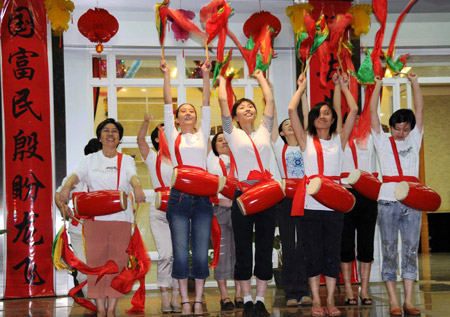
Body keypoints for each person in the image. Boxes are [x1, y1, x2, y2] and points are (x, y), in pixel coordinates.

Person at [58, 118, 146, 317]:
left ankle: (112, 310)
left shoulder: (127, 160)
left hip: (121, 219)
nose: (110, 134)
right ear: (100, 136)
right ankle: (100, 310)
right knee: (95, 265)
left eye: (114, 131)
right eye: (106, 130)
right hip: (94, 220)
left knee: (117, 264)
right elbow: (76, 176)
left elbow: (132, 176)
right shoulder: (89, 160)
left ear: (119, 138)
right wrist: (65, 188)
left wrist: (138, 187)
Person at [288, 72, 358, 317]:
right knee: (312, 252)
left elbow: (355, 108)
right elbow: (290, 109)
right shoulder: (306, 141)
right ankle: (316, 299)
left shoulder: (339, 140)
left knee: (332, 252)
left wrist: (343, 86)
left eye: (327, 113)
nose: (322, 116)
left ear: (332, 119)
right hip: (309, 206)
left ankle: (330, 298)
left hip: (334, 206)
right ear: (313, 119)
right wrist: (301, 87)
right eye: (318, 113)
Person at [217, 69, 276, 317]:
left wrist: (261, 78)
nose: (247, 109)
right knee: (243, 249)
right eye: (242, 107)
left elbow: (270, 101)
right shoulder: (231, 133)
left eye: (251, 106)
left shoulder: (264, 129)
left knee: (264, 247)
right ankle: (247, 299)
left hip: (267, 194)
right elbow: (222, 101)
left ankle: (261, 299)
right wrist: (221, 81)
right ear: (235, 115)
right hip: (243, 195)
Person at [161, 58, 212, 316]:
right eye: (184, 111)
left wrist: (205, 75)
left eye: (191, 110)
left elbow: (206, 103)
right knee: (181, 252)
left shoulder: (203, 133)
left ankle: (200, 299)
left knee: (201, 251)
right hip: (179, 199)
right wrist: (166, 76)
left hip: (203, 198)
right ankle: (183, 300)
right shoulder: (174, 134)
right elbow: (167, 104)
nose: (189, 113)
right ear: (178, 119)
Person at [369, 73, 423, 317]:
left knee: (411, 250)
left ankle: (409, 300)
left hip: (413, 200)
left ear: (411, 128)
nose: (401, 133)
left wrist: (414, 84)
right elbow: (372, 113)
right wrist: (378, 85)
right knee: (389, 249)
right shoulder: (382, 140)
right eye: (397, 128)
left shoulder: (415, 139)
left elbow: (420, 109)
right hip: (388, 202)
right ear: (390, 127)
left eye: (405, 128)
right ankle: (393, 300)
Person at [334, 73, 379, 307]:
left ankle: (364, 288)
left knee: (366, 243)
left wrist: (375, 86)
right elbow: (338, 108)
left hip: (368, 194)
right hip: (346, 194)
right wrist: (339, 87)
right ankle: (349, 290)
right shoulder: (339, 138)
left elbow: (372, 109)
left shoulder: (370, 136)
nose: (357, 122)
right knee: (345, 244)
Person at [270, 98, 311, 307]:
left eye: (292, 124)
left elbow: (305, 117)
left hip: (307, 198)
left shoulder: (307, 145)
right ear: (283, 133)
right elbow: (273, 117)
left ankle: (304, 290)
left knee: (303, 245)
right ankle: (290, 292)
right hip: (286, 200)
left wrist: (303, 94)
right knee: (289, 245)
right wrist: (271, 93)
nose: (291, 126)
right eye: (286, 126)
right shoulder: (280, 148)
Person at [137, 119, 181, 313]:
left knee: (179, 255)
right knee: (165, 254)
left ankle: (177, 296)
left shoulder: (181, 157)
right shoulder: (152, 157)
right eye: (163, 132)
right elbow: (140, 141)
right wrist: (147, 122)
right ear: (156, 138)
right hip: (159, 209)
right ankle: (165, 297)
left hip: (180, 207)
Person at [54, 138, 102, 300]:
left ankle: (102, 304)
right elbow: (59, 194)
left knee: (103, 268)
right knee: (82, 268)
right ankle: (94, 304)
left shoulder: (110, 177)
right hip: (78, 230)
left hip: (104, 230)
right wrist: (63, 207)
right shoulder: (75, 177)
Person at [206, 132, 243, 311]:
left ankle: (239, 294)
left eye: (226, 139)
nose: (223, 142)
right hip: (218, 211)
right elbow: (203, 133)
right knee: (221, 252)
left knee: (239, 252)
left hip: (239, 210)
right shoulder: (210, 160)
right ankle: (224, 296)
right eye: (219, 140)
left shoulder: (240, 160)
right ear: (213, 145)